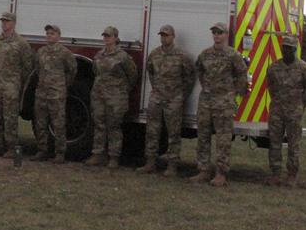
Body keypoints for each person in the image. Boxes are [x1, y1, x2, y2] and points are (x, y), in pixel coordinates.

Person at [190, 22, 248, 186]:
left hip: (224, 102)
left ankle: (221, 173)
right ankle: (203, 170)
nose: (216, 35)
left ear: (226, 35)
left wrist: (233, 94)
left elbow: (242, 75)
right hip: (206, 100)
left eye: (220, 33)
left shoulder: (233, 55)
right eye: (214, 32)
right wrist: (207, 88)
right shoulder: (205, 54)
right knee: (203, 136)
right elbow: (199, 71)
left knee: (223, 138)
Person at [137, 24, 194, 176]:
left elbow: (189, 78)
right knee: (152, 131)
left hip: (174, 99)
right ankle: (150, 163)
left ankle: (172, 165)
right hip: (157, 98)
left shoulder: (182, 56)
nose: (164, 38)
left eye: (166, 35)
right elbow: (151, 72)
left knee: (173, 133)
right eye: (162, 35)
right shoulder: (155, 54)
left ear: (173, 36)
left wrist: (181, 96)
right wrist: (156, 89)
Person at [264, 35, 306, 187]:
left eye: (289, 48)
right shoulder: (274, 67)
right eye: (284, 47)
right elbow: (271, 86)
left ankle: (292, 175)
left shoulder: (304, 68)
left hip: (294, 111)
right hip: (277, 110)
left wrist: (301, 104)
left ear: (294, 49)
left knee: (293, 143)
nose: (286, 50)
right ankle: (275, 174)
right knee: (274, 142)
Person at [85, 26, 137, 169]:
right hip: (99, 95)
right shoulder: (99, 55)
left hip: (115, 97)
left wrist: (121, 90)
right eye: (104, 36)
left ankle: (114, 156)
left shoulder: (122, 56)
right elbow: (96, 72)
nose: (106, 38)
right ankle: (97, 154)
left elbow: (132, 75)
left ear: (115, 38)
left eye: (108, 36)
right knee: (99, 124)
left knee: (114, 126)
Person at [0, 12, 34, 158]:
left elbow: (27, 67)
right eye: (3, 21)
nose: (4, 24)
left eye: (7, 21)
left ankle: (11, 148)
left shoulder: (21, 44)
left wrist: (18, 83)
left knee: (10, 117)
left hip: (11, 87)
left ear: (13, 23)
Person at [31, 24, 77, 163]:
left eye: (52, 33)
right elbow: (37, 69)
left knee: (58, 124)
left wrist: (62, 85)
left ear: (58, 36)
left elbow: (72, 70)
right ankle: (42, 150)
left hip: (56, 94)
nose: (49, 36)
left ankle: (60, 153)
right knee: (40, 123)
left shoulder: (64, 53)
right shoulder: (41, 52)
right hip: (42, 93)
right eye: (48, 33)